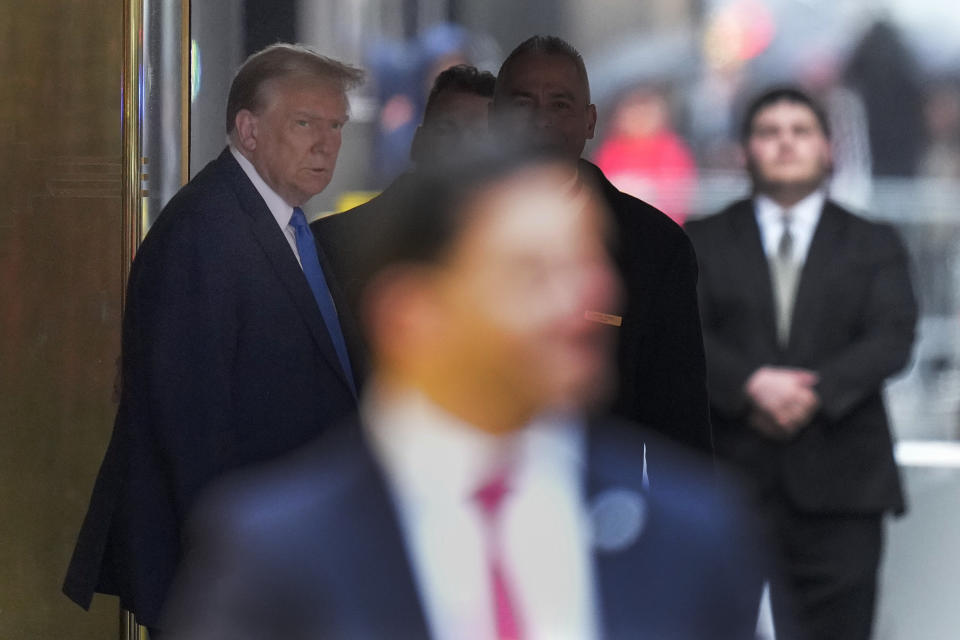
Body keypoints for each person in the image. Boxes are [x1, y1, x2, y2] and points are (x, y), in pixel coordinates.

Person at [162, 139, 765, 640]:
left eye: (589, 264)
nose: (585, 299)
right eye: (533, 273)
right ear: (411, 313)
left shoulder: (693, 537)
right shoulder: (275, 552)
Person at [62, 44, 366, 631]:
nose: (325, 143)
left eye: (336, 125)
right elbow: (192, 431)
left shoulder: (285, 224)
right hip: (234, 575)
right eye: (304, 123)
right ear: (248, 130)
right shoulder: (206, 233)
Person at [685, 86, 918, 640]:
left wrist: (813, 392)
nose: (785, 144)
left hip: (843, 483)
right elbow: (683, 331)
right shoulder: (701, 238)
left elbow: (892, 336)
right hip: (730, 483)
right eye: (769, 133)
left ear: (828, 148)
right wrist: (750, 385)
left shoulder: (873, 241)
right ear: (745, 151)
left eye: (800, 131)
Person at [491, 35, 712, 455]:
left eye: (560, 105)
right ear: (492, 116)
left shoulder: (655, 247)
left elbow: (680, 418)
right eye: (522, 104)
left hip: (607, 500)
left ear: (590, 121)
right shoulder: (444, 233)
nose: (540, 120)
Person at [314, 63, 495, 311]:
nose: (461, 147)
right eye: (446, 130)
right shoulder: (331, 245)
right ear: (418, 143)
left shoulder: (520, 256)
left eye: (480, 136)